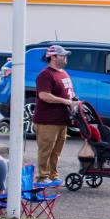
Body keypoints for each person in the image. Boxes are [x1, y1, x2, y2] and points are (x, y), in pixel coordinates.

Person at [33, 44, 76, 185]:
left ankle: (53, 175)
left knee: (56, 151)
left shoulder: (64, 73)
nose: (65, 58)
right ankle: (42, 177)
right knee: (46, 149)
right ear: (52, 57)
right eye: (62, 55)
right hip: (47, 120)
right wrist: (65, 101)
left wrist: (74, 101)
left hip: (62, 120)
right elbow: (44, 95)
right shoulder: (45, 75)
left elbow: (69, 93)